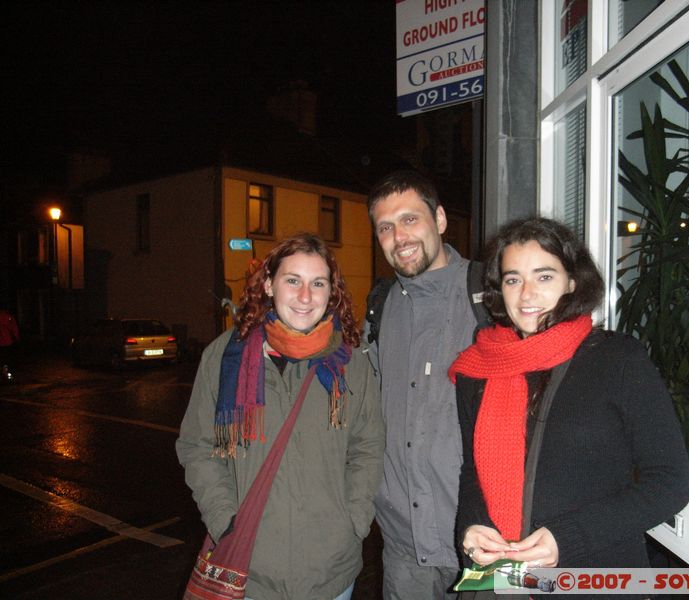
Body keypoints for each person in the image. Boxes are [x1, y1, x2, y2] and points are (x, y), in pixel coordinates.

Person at [449, 217, 689, 597]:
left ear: (572, 282)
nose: (526, 294)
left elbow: (670, 483)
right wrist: (473, 526)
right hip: (498, 583)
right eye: (513, 279)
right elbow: (472, 473)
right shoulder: (476, 371)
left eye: (544, 277)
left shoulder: (616, 359)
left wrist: (568, 538)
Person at [176, 234, 385, 600]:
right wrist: (224, 519)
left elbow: (367, 446)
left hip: (330, 572)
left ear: (331, 292)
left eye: (318, 283)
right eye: (293, 280)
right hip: (250, 570)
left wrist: (353, 520)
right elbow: (197, 445)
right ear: (270, 284)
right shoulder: (225, 356)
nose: (306, 296)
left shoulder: (352, 364)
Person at [366, 170, 487, 599]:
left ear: (439, 219)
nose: (399, 236)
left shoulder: (490, 295)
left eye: (410, 219)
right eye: (385, 227)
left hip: (481, 546)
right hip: (403, 547)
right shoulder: (379, 310)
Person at [0, 307, 20, 383]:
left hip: (5, 341)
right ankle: (6, 374)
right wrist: (16, 338)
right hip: (7, 341)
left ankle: (5, 374)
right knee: (6, 359)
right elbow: (14, 328)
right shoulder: (8, 317)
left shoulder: (8, 317)